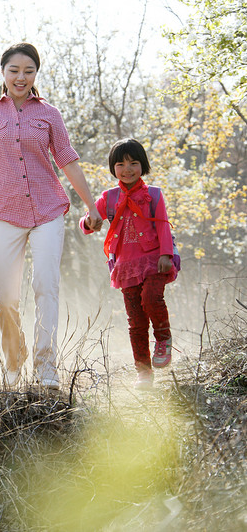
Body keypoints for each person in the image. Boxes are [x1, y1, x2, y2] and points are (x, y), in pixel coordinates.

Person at [0, 42, 103, 390]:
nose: (21, 77)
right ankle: (15, 357)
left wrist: (91, 204)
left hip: (47, 209)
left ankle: (47, 368)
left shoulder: (49, 114)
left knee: (46, 285)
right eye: (14, 70)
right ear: (3, 72)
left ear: (36, 74)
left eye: (28, 71)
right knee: (5, 297)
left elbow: (67, 159)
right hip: (2, 211)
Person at [81, 138, 177, 390]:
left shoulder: (153, 194)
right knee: (135, 320)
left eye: (134, 163)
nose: (127, 169)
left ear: (142, 165)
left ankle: (163, 339)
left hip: (154, 260)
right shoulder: (110, 198)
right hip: (126, 266)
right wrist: (90, 222)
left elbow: (163, 224)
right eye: (121, 164)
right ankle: (143, 372)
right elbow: (90, 219)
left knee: (151, 299)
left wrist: (166, 254)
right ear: (113, 168)